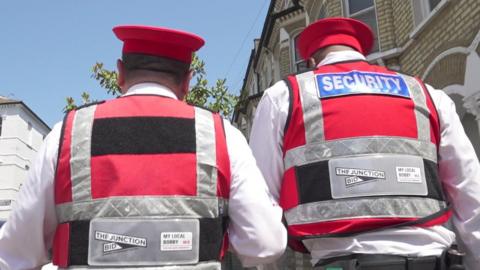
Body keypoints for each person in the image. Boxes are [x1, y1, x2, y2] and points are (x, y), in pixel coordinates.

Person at [0, 25, 287, 269]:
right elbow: (265, 244)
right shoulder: (222, 135)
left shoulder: (68, 134)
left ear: (120, 73)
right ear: (187, 82)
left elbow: (14, 255)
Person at [249, 17, 480, 270]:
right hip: (433, 260)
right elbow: (470, 193)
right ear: (361, 53)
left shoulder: (284, 96)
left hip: (337, 262)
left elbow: (261, 203)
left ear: (311, 62)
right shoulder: (427, 95)